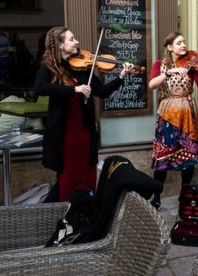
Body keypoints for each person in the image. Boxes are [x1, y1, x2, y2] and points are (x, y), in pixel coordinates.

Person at [34, 26, 133, 202]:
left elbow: (101, 91)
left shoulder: (82, 68)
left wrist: (121, 76)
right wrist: (74, 89)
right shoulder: (50, 67)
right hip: (65, 134)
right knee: (69, 174)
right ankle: (67, 213)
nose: (77, 42)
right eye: (71, 39)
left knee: (87, 172)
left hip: (85, 131)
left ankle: (86, 210)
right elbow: (40, 88)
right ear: (60, 45)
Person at [148, 31, 198, 209]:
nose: (184, 45)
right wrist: (169, 72)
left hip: (188, 115)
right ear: (169, 47)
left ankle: (185, 196)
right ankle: (157, 196)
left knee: (188, 157)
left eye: (184, 42)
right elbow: (152, 85)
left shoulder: (192, 65)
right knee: (162, 157)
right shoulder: (159, 65)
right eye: (179, 43)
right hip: (167, 116)